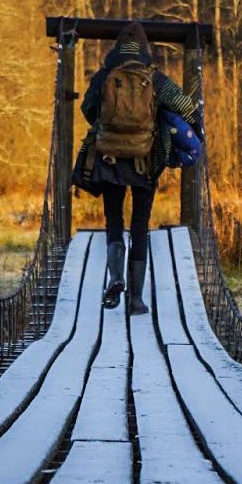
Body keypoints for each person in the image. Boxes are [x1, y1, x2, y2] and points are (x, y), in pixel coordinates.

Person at [73, 21, 201, 314]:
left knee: (114, 219)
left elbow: (87, 109)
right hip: (146, 160)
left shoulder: (105, 75)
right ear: (144, 49)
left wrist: (109, 128)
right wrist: (179, 127)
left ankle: (116, 277)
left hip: (109, 159)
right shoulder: (155, 78)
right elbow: (185, 106)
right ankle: (135, 299)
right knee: (140, 225)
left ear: (117, 48)